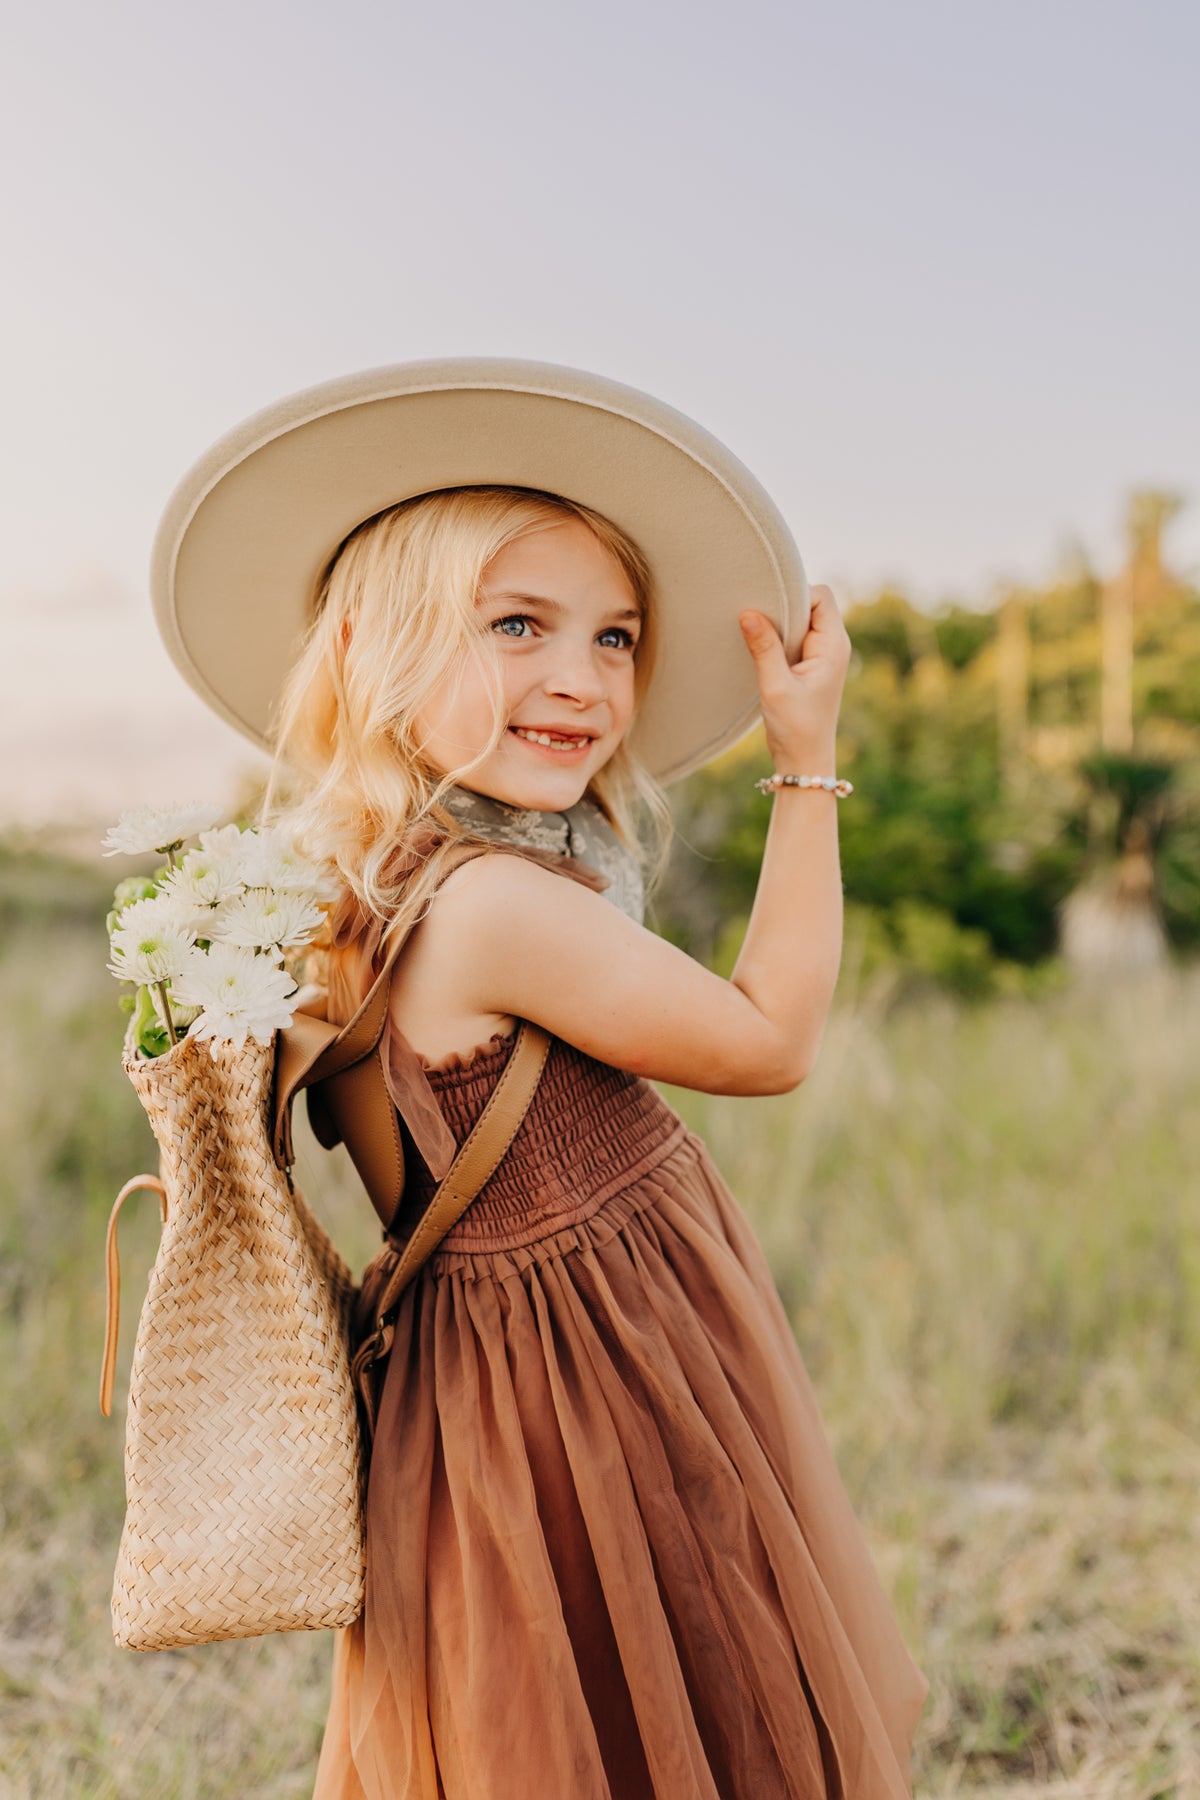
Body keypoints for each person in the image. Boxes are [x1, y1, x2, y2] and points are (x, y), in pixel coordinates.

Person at [150, 361, 929, 1798]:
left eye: (616, 637)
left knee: (547, 1722)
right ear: (382, 649)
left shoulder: (357, 890)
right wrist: (806, 766)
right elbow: (770, 1038)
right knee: (672, 1699)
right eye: (517, 625)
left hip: (482, 1385)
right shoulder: (496, 907)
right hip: (597, 1376)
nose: (583, 678)